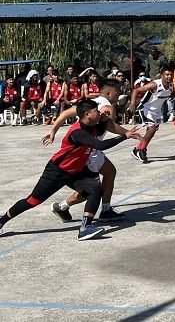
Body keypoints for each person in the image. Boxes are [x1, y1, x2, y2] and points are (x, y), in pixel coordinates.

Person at [0, 100, 141, 240]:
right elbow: (100, 145)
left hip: (76, 171)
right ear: (87, 115)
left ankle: (85, 228)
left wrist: (104, 120)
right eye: (96, 111)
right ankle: (2, 220)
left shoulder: (91, 126)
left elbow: (102, 129)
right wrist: (124, 136)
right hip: (57, 172)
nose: (99, 112)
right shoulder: (78, 132)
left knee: (95, 190)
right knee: (32, 201)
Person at [43, 79, 134, 222]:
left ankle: (105, 209)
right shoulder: (107, 107)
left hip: (90, 149)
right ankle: (63, 207)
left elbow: (65, 113)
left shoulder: (88, 104)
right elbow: (110, 126)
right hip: (90, 152)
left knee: (110, 172)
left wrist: (53, 131)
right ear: (110, 93)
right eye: (118, 92)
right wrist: (128, 133)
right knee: (92, 190)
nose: (119, 96)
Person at [128, 66, 174, 163]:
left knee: (151, 132)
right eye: (167, 75)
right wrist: (132, 103)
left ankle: (137, 149)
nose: (169, 77)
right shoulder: (155, 84)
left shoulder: (171, 86)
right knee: (151, 129)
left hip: (157, 112)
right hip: (146, 109)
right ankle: (142, 150)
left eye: (171, 75)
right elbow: (136, 90)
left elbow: (173, 95)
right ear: (162, 75)